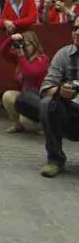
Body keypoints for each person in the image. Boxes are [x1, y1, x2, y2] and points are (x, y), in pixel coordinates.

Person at [38, 17, 79, 177]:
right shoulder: (63, 54)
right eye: (75, 28)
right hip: (70, 114)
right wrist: (60, 91)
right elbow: (45, 88)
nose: (77, 32)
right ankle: (55, 160)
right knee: (47, 103)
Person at [0, 32, 48, 134]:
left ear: (34, 44)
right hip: (25, 97)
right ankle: (17, 124)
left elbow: (31, 73)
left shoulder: (43, 59)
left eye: (26, 45)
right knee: (7, 96)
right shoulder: (21, 58)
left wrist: (21, 56)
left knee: (26, 123)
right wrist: (11, 39)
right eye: (22, 45)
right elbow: (2, 51)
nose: (24, 48)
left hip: (38, 99)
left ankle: (43, 125)